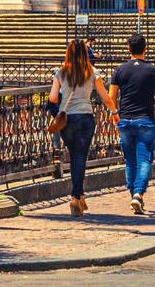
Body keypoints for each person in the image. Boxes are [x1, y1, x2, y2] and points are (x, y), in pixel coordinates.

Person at [48, 39, 117, 216]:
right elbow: (105, 97)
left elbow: (53, 98)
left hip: (66, 120)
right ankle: (75, 197)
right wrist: (114, 112)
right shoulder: (92, 72)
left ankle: (79, 196)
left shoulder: (61, 72)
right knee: (80, 157)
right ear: (85, 53)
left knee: (74, 156)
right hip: (85, 118)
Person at [107, 33, 155, 215]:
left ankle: (134, 194)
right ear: (145, 49)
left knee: (129, 160)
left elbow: (111, 98)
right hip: (145, 121)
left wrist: (115, 114)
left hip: (124, 120)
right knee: (144, 159)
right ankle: (139, 194)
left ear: (128, 49)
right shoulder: (153, 71)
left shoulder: (119, 70)